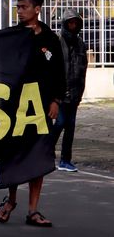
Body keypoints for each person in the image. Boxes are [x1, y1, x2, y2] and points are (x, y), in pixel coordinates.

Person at [0, 0, 63, 228]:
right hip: (15, 106)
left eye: (24, 7)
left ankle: (33, 210)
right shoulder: (12, 36)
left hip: (42, 107)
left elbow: (58, 72)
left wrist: (56, 100)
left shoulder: (50, 38)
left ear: (37, 9)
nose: (20, 11)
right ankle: (11, 201)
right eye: (18, 7)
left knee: (39, 156)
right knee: (16, 155)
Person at [53, 10, 88, 172]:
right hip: (60, 93)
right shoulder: (58, 42)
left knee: (70, 126)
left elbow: (83, 69)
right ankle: (46, 151)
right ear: (65, 24)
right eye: (70, 23)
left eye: (75, 23)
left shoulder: (80, 43)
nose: (73, 26)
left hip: (75, 94)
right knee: (59, 123)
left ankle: (65, 160)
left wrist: (80, 92)